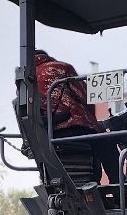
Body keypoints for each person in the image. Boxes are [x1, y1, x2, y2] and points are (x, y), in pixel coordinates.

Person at [34, 49, 119, 182]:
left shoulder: (24, 81)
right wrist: (95, 124)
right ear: (46, 56)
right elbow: (84, 96)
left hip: (45, 136)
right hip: (72, 128)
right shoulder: (62, 68)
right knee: (106, 141)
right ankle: (120, 186)